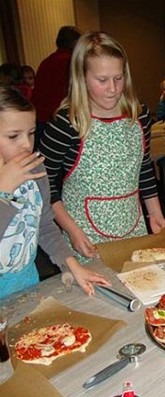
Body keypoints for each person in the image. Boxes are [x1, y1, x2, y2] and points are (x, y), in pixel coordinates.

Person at [38, 31, 165, 263]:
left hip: (133, 228)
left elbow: (144, 167)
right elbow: (42, 182)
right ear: (82, 77)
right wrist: (71, 230)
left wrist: (155, 213)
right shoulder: (67, 123)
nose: (113, 89)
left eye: (119, 78)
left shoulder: (139, 115)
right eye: (102, 80)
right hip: (85, 236)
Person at [0, 86, 110, 298]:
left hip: (26, 282)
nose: (26, 144)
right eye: (13, 136)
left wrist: (72, 265)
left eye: (31, 133)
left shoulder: (36, 169)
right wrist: (3, 192)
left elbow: (44, 227)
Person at [31, 26, 82, 140]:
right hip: (56, 118)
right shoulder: (69, 62)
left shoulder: (47, 60)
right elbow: (74, 92)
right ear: (75, 42)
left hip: (39, 116)